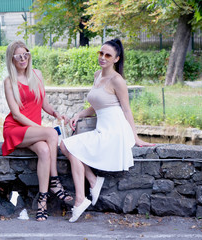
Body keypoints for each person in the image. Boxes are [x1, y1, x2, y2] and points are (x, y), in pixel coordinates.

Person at [60, 38, 155, 223]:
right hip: (102, 127)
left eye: (108, 55)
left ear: (116, 59)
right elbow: (96, 106)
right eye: (101, 53)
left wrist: (135, 137)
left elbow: (126, 109)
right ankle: (93, 182)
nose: (103, 57)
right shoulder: (97, 75)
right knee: (65, 146)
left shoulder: (117, 80)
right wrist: (79, 114)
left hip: (115, 131)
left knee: (68, 146)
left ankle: (80, 199)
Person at [2, 40, 73, 221]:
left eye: (26, 54)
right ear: (12, 58)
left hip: (33, 130)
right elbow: (17, 115)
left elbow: (44, 104)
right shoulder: (9, 81)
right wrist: (41, 129)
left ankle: (42, 200)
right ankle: (55, 183)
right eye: (19, 56)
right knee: (50, 133)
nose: (23, 58)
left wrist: (56, 113)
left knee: (43, 150)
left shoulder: (37, 75)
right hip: (15, 128)